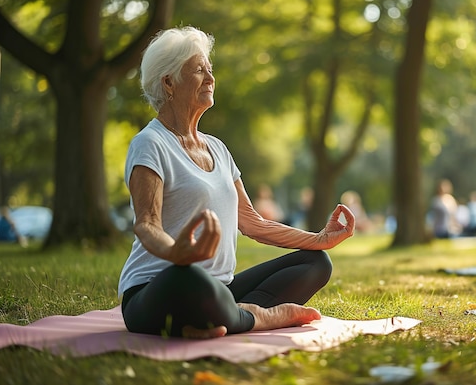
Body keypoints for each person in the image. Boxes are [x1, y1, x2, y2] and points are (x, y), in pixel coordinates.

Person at [118, 26, 356, 339]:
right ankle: (257, 316)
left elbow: (254, 224)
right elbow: (146, 225)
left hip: (219, 290)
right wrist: (177, 253)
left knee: (315, 264)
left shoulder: (217, 148)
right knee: (192, 279)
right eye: (199, 70)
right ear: (169, 82)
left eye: (210, 69)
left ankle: (223, 318)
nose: (210, 78)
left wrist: (320, 239)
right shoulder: (150, 143)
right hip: (159, 288)